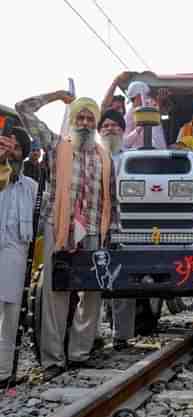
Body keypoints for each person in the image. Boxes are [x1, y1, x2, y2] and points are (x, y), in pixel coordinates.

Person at [15, 91, 117, 379]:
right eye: (80, 117)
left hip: (95, 229)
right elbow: (23, 108)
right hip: (58, 226)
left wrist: (112, 234)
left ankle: (80, 354)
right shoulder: (57, 144)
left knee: (92, 292)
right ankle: (53, 360)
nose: (85, 122)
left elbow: (112, 198)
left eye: (89, 118)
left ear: (95, 125)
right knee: (56, 290)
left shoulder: (105, 156)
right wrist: (56, 96)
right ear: (73, 121)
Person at [0, 126, 38, 386]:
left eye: (15, 147)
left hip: (15, 255)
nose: (10, 151)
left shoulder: (32, 187)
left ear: (23, 153)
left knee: (10, 314)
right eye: (5, 145)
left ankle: (3, 373)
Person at [95, 109, 134, 351]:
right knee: (91, 280)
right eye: (106, 126)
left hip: (123, 226)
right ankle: (93, 334)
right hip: (94, 226)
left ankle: (121, 336)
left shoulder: (132, 160)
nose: (110, 129)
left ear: (123, 130)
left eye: (115, 125)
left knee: (123, 279)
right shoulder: (90, 157)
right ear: (99, 132)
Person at [123, 81, 167, 150]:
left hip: (156, 153)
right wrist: (138, 129)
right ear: (138, 95)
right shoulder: (128, 116)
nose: (147, 97)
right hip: (137, 155)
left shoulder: (151, 108)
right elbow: (125, 143)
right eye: (146, 94)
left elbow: (159, 139)